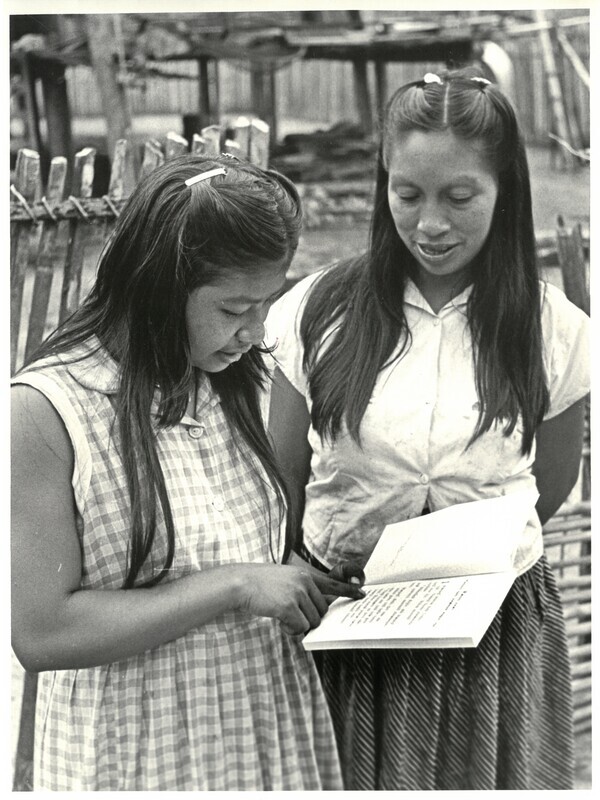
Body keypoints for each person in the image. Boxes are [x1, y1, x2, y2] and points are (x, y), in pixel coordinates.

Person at [266, 68, 590, 790]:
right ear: (384, 181)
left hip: (492, 633)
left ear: (506, 192)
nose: (431, 224)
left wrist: (462, 559)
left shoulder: (555, 333)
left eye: (460, 197)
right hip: (344, 622)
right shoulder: (317, 312)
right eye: (407, 195)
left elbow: (552, 486)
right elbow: (281, 476)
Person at [11, 154, 366, 791]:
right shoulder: (46, 412)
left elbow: (247, 553)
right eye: (235, 310)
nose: (256, 332)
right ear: (159, 289)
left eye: (266, 305)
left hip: (260, 728)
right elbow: (42, 633)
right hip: (137, 750)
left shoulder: (230, 381)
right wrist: (234, 586)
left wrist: (298, 581)